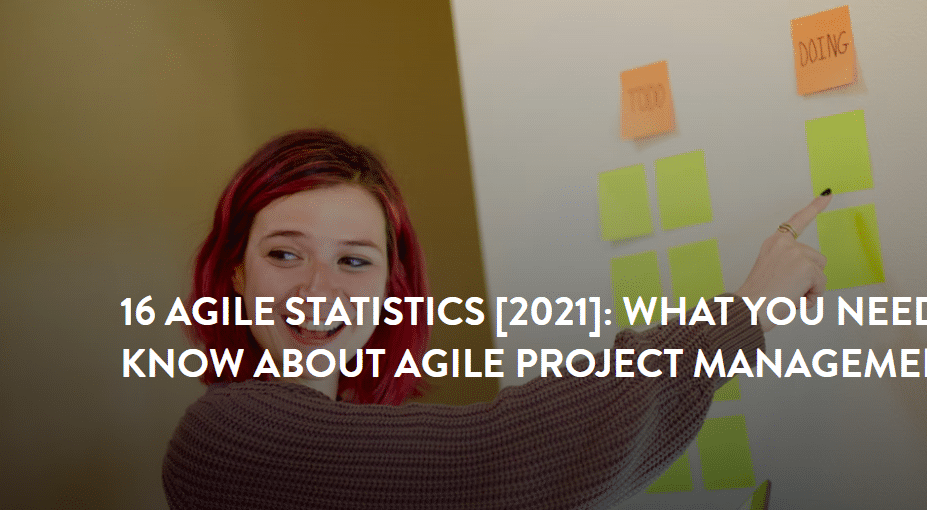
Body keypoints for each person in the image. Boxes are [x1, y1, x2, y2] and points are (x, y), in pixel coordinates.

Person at [162, 128, 830, 510]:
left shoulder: (360, 434)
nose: (318, 289)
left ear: (391, 288)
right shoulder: (223, 439)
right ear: (235, 273)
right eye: (285, 254)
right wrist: (743, 314)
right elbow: (503, 454)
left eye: (353, 261)